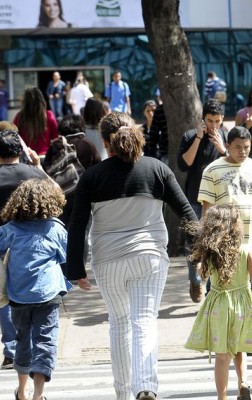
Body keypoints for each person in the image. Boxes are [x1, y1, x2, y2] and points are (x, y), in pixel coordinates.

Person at [66, 112, 197, 400]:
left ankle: (124, 394)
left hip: (108, 260)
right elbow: (188, 215)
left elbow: (77, 224)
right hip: (149, 257)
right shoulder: (157, 169)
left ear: (104, 142)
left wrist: (74, 267)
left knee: (120, 323)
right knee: (144, 321)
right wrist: (200, 253)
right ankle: (145, 386)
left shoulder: (92, 176)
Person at [0, 178, 76, 400]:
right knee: (46, 340)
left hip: (18, 295)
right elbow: (68, 255)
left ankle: (22, 391)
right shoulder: (56, 228)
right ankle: (38, 395)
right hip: (48, 294)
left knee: (23, 339)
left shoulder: (9, 229)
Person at [0, 129, 48, 371]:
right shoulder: (32, 174)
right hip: (31, 239)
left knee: (2, 294)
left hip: (0, 241)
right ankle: (31, 346)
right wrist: (38, 165)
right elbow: (55, 198)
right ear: (20, 150)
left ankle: (11, 350)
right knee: (30, 291)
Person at [185, 205, 252, 400]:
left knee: (222, 355)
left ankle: (222, 397)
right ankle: (243, 382)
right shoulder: (246, 250)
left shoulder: (211, 253)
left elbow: (203, 274)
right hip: (243, 304)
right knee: (239, 346)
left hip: (219, 305)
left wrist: (201, 267)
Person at [198, 126, 252, 279]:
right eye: (238, 147)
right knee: (221, 287)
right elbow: (207, 210)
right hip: (224, 240)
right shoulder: (211, 170)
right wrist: (205, 245)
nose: (243, 151)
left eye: (246, 147)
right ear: (227, 146)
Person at [179, 99, 228, 302]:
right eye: (210, 121)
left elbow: (233, 163)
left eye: (217, 121)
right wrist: (199, 138)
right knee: (194, 244)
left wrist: (223, 149)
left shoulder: (224, 136)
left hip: (218, 200)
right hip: (194, 198)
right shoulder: (190, 136)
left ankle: (210, 288)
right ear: (203, 119)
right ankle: (195, 279)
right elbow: (184, 164)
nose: (214, 126)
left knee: (216, 244)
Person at [42, 114, 101, 224]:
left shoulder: (54, 146)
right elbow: (98, 170)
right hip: (83, 196)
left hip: (60, 197)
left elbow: (46, 169)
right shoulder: (87, 145)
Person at [14, 87, 59, 155]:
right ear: (41, 100)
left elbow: (14, 137)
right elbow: (56, 138)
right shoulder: (49, 115)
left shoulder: (19, 117)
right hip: (45, 157)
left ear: (25, 102)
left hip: (26, 158)